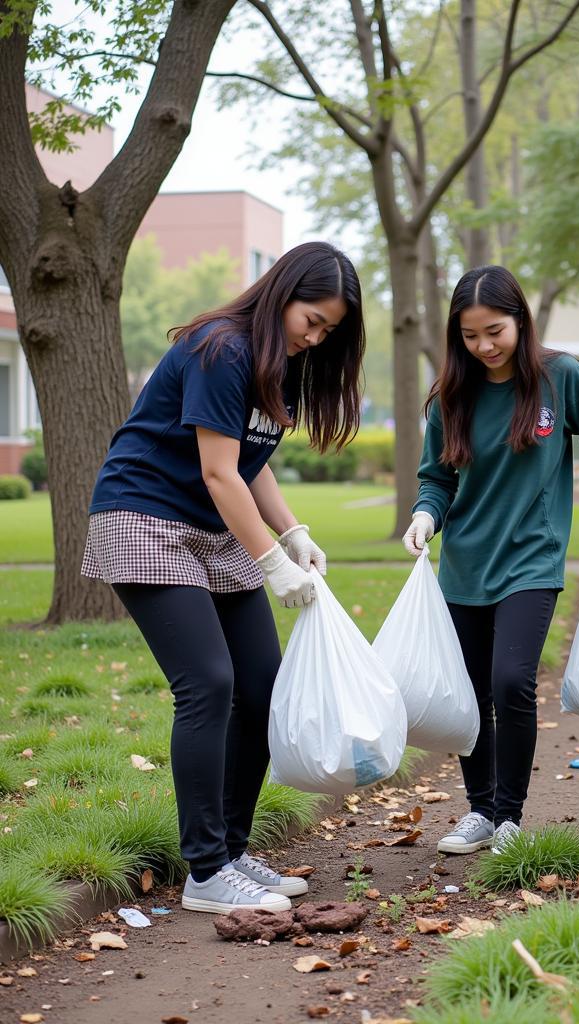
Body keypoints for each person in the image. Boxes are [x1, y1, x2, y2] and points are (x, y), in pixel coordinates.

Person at [82, 241, 366, 913]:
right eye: (311, 319)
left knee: (265, 687)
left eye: (328, 330)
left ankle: (231, 852)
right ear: (282, 291)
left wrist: (294, 533)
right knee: (209, 682)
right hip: (145, 515)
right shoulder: (223, 348)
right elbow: (216, 471)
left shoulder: (279, 362)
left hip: (212, 525)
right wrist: (269, 560)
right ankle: (206, 870)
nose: (315, 337)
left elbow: (247, 461)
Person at [403, 265, 579, 856]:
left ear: (520, 321)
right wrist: (425, 516)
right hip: (464, 563)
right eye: (470, 335)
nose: (483, 346)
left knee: (511, 682)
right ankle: (478, 811)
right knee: (472, 692)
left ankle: (508, 815)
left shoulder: (560, 377)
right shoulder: (451, 395)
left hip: (532, 558)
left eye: (495, 331)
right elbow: (436, 478)